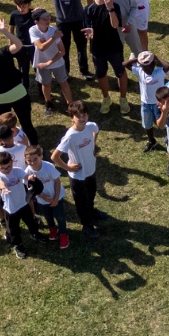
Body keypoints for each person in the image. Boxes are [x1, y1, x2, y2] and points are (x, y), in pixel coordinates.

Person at [54, 101, 102, 239]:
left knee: (91, 193)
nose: (82, 118)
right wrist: (68, 167)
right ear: (71, 118)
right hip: (78, 176)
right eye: (78, 116)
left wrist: (92, 146)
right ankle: (87, 226)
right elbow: (55, 157)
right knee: (81, 202)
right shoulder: (70, 136)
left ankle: (92, 212)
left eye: (84, 115)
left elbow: (96, 131)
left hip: (90, 169)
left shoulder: (90, 126)